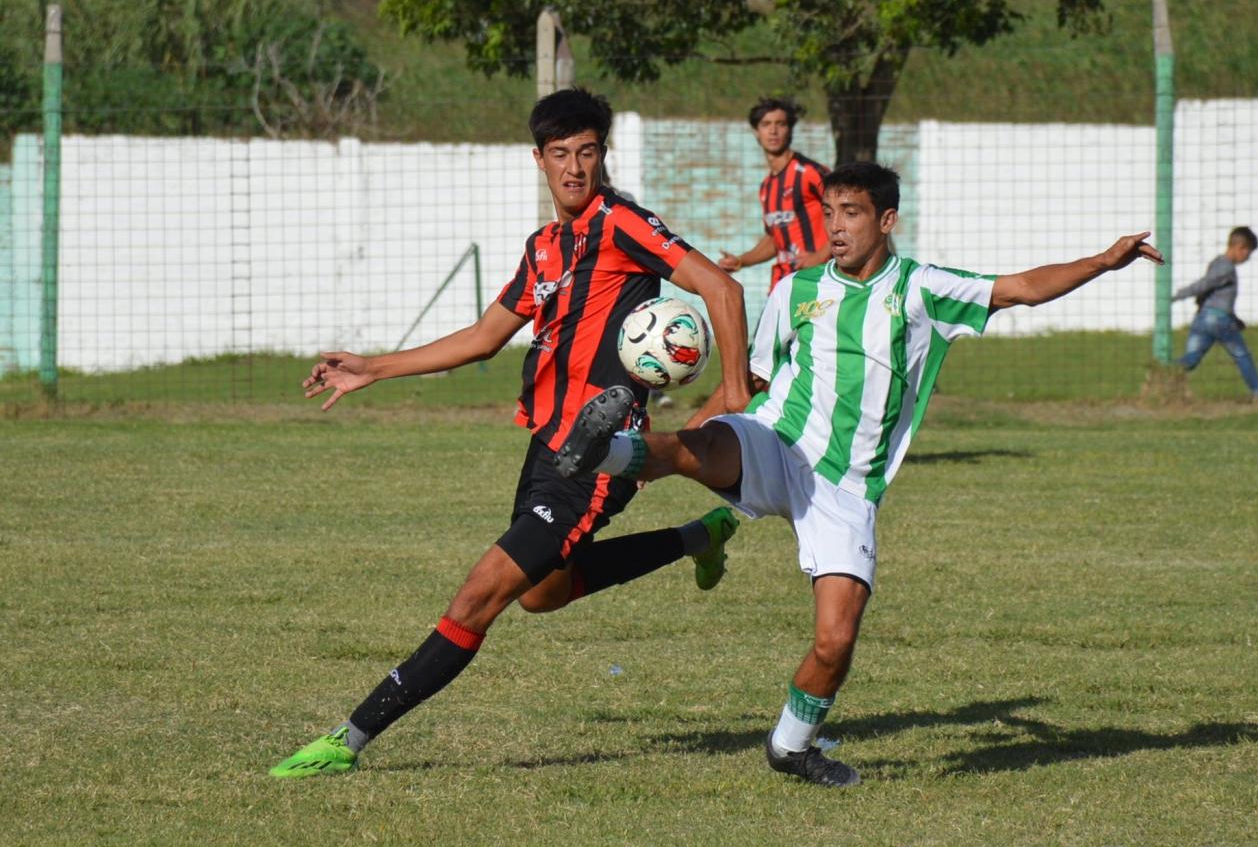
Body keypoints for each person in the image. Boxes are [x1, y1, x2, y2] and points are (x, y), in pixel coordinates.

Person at [555, 162, 1164, 787]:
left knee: (834, 642)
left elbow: (1023, 287)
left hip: (845, 488)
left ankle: (791, 747)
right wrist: (672, 447)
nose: (837, 228)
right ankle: (601, 450)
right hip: (778, 441)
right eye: (830, 214)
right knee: (705, 447)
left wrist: (1102, 261)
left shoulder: (923, 289)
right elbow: (753, 387)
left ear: (887, 220)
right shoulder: (796, 289)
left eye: (852, 214)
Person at [268, 88, 752, 778]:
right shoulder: (546, 248)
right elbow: (485, 336)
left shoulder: (623, 224)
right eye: (561, 155)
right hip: (545, 449)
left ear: (602, 155)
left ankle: (347, 740)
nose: (575, 168)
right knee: (541, 593)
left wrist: (732, 402)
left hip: (596, 454)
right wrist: (372, 367)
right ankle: (696, 538)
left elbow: (722, 291)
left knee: (478, 597)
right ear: (540, 159)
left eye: (587, 153)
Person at [718, 98, 831, 291]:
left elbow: (848, 215)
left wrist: (820, 256)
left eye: (780, 124)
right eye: (766, 124)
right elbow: (775, 238)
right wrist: (740, 261)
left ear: (790, 129)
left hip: (817, 280)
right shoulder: (766, 187)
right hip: (782, 284)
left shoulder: (810, 173)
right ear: (756, 131)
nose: (773, 131)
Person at [1172, 227, 1258, 396]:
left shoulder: (1217, 262)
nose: (1247, 257)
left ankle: (1164, 375)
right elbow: (1205, 284)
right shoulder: (1226, 268)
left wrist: (1235, 318)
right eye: (1248, 253)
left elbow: (1212, 295)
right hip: (1220, 321)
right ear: (1240, 248)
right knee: (1241, 355)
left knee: (1191, 359)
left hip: (1203, 319)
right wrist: (1178, 295)